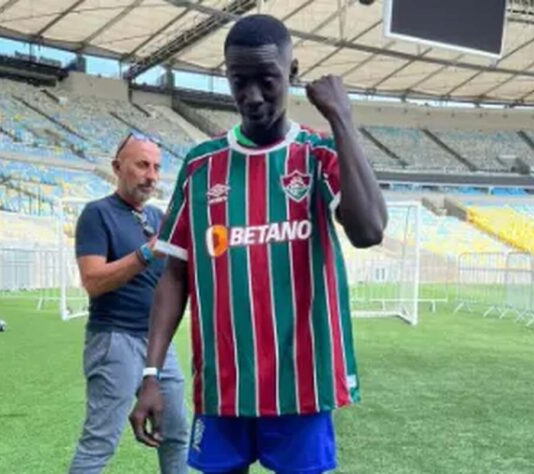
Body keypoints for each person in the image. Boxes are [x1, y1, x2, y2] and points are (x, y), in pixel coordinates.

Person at [129, 14, 388, 474]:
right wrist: (150, 373)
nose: (251, 96)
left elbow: (369, 231)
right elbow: (175, 275)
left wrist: (342, 119)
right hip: (223, 388)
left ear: (291, 71)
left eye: (266, 80)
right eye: (238, 81)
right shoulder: (201, 165)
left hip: (301, 389)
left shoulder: (319, 155)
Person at [69, 133, 189, 474]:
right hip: (114, 340)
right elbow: (92, 281)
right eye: (142, 165)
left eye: (156, 167)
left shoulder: (158, 217)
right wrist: (147, 252)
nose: (151, 175)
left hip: (159, 345)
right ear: (117, 168)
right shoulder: (97, 214)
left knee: (176, 434)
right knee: (99, 444)